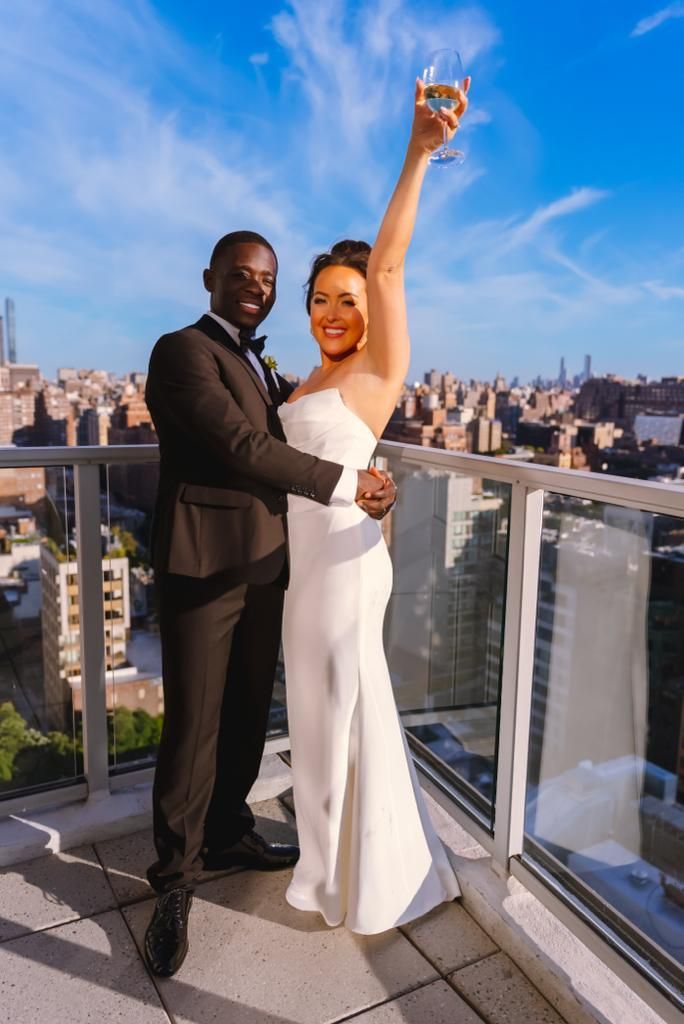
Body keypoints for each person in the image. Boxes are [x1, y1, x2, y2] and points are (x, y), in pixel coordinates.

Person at [142, 230, 397, 976]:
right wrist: (354, 485)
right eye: (241, 274)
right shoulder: (182, 351)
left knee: (250, 709)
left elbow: (312, 423)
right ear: (210, 277)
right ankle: (174, 884)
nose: (256, 285)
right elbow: (240, 448)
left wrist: (369, 475)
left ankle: (228, 831)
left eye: (267, 278)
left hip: (267, 566)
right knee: (195, 725)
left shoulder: (263, 365)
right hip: (202, 564)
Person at [279, 76, 470, 933]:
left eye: (345, 301)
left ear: (371, 313)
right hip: (304, 567)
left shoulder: (372, 375)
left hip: (349, 568)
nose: (329, 312)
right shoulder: (309, 378)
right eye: (318, 298)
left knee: (342, 715)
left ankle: (369, 883)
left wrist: (419, 150)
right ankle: (331, 874)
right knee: (322, 726)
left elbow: (390, 263)